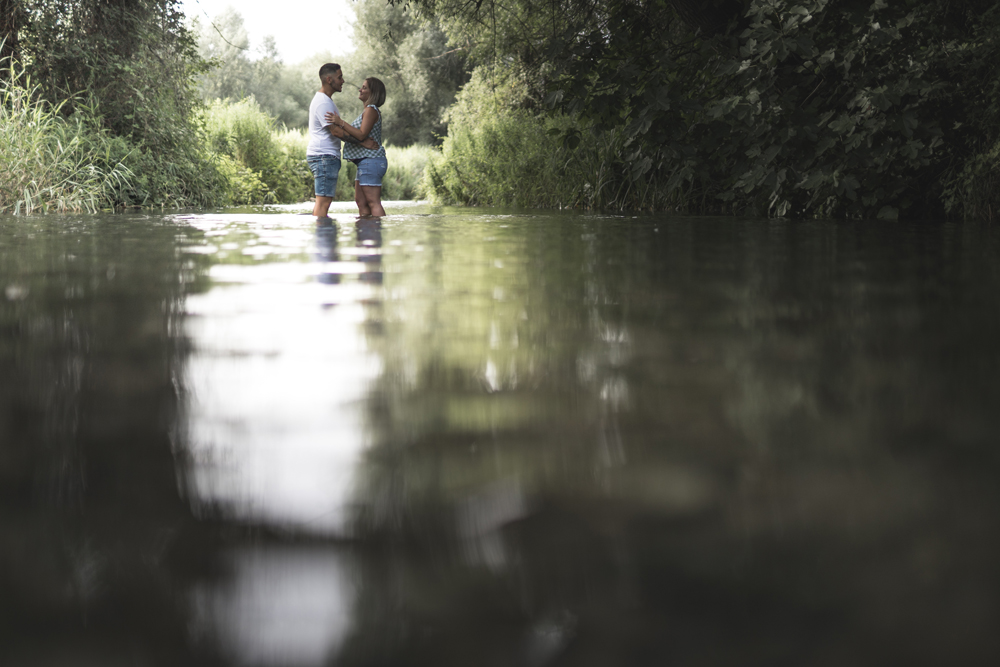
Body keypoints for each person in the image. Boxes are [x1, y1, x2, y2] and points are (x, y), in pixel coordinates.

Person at [306, 64, 379, 220]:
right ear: (328, 79)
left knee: (322, 202)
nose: (343, 81)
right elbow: (336, 131)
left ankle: (324, 240)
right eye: (339, 77)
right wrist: (362, 142)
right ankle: (324, 242)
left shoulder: (326, 101)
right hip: (323, 156)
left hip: (325, 156)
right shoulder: (323, 102)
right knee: (323, 203)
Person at [326, 77, 388, 218]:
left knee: (373, 202)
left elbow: (361, 135)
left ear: (374, 93)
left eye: (364, 87)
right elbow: (355, 135)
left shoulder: (371, 110)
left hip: (371, 161)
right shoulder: (367, 111)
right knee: (361, 201)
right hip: (365, 162)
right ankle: (365, 233)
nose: (360, 90)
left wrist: (340, 122)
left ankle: (377, 234)